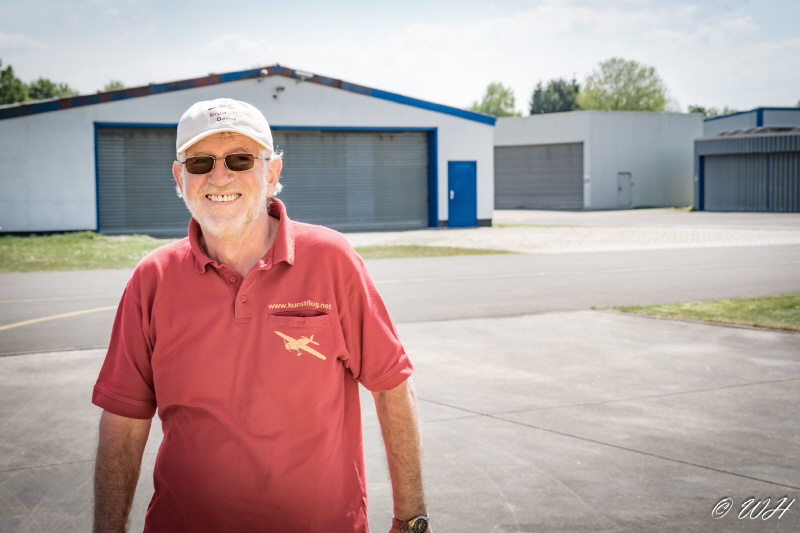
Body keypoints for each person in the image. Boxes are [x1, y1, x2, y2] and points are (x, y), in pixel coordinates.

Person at [92, 98, 431, 533]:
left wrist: (412, 519)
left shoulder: (332, 259)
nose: (219, 176)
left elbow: (392, 386)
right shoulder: (152, 278)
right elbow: (123, 422)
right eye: (200, 162)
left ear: (271, 173)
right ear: (180, 177)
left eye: (240, 159)